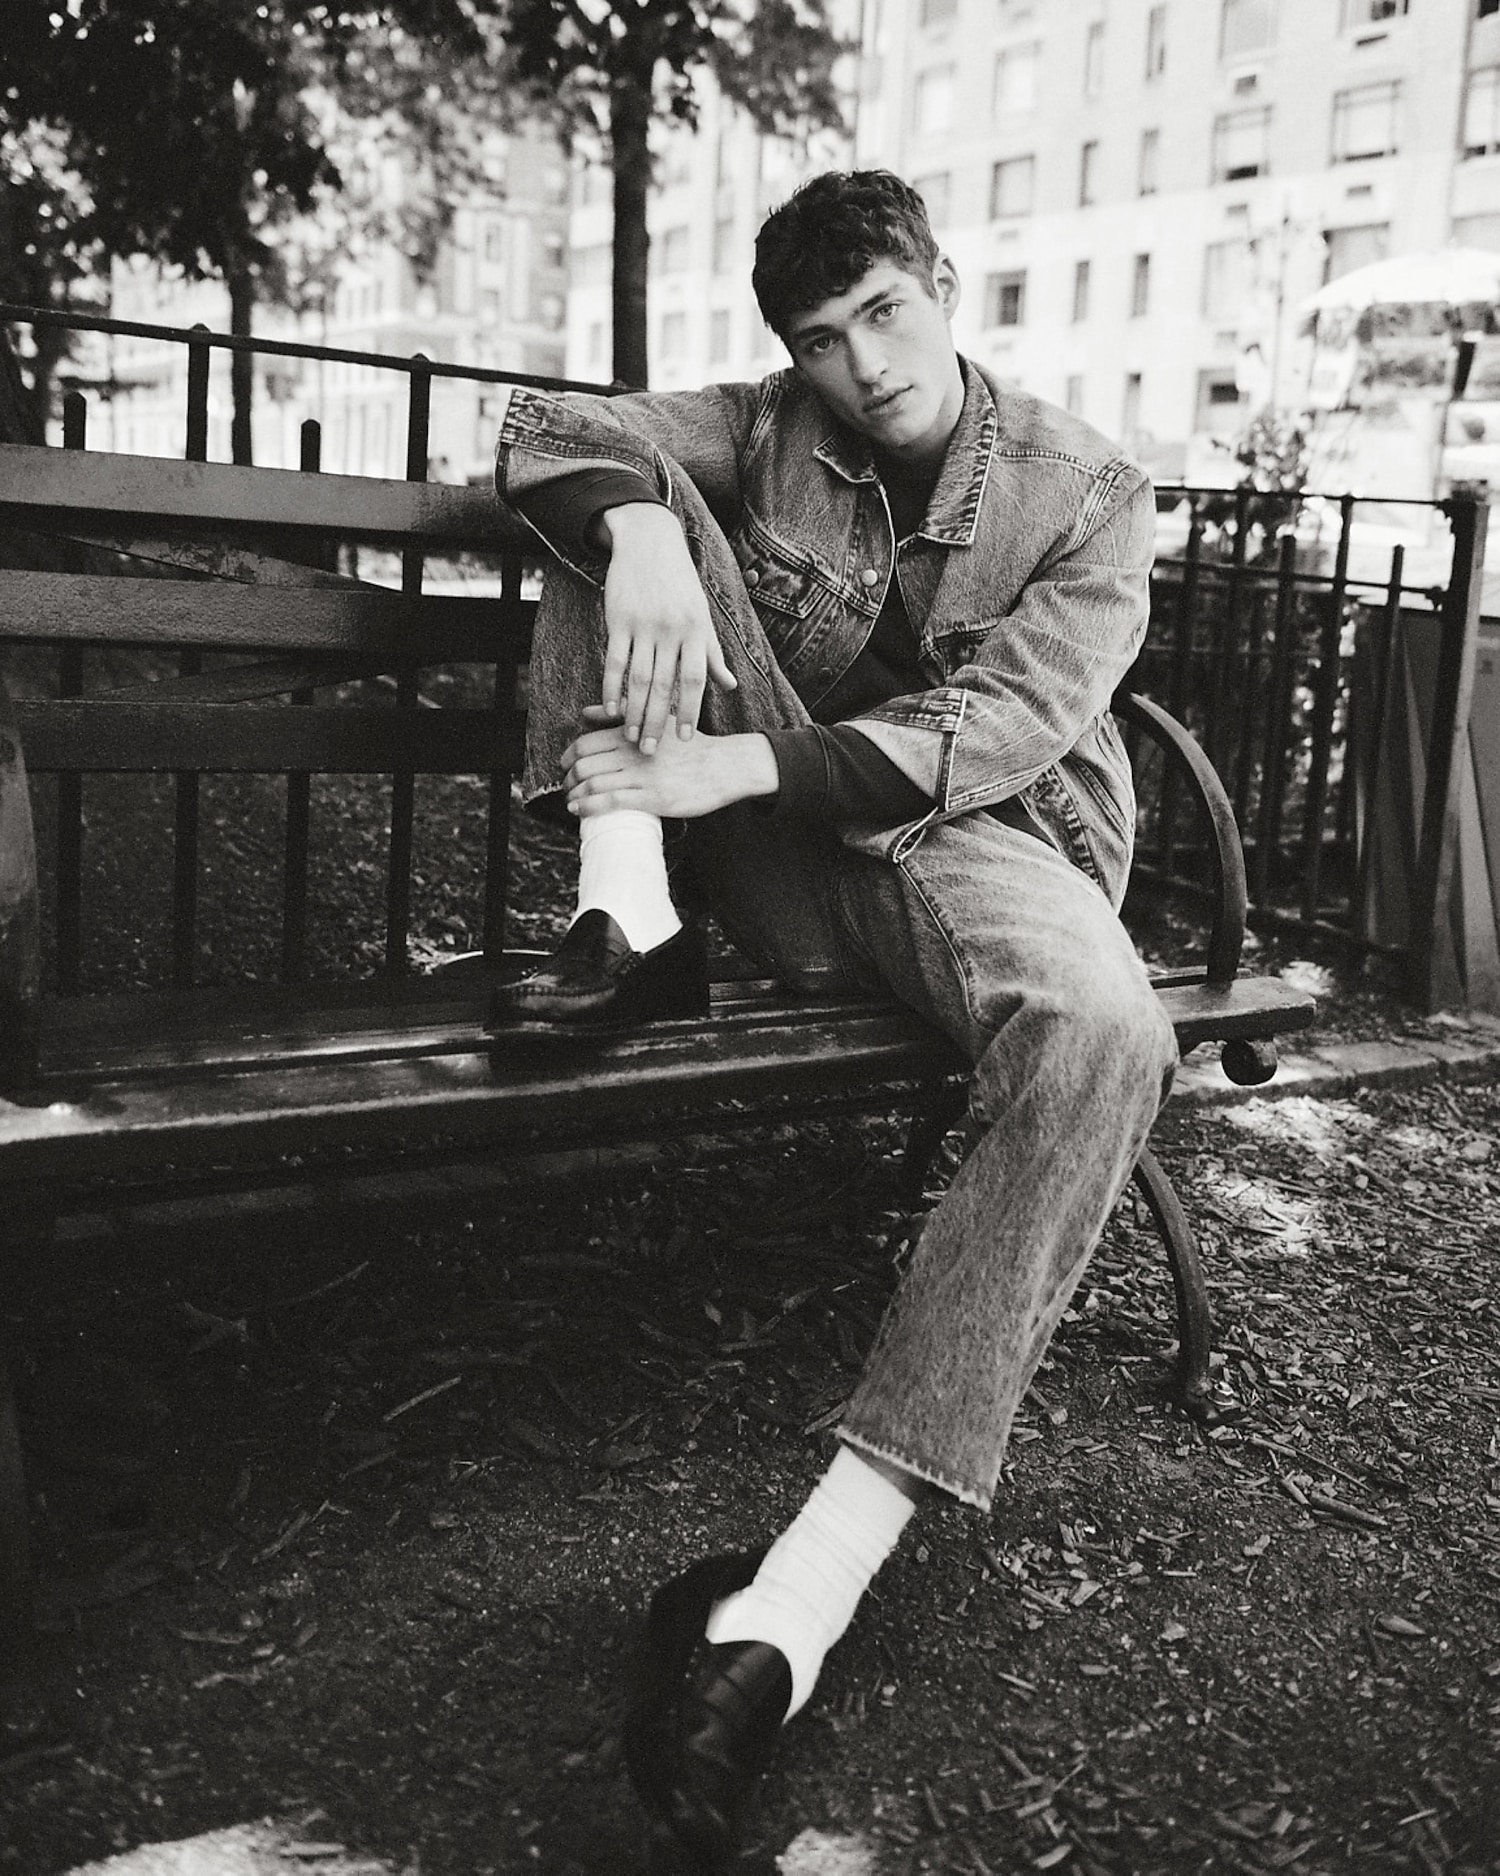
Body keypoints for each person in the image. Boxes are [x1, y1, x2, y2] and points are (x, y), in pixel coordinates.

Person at [486, 169, 1178, 1873]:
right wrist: (642, 527)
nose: (862, 363)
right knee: (623, 497)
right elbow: (539, 428)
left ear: (946, 281)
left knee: (1111, 1032)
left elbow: (996, 731)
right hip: (795, 870)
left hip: (992, 842)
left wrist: (730, 760)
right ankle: (626, 906)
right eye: (820, 336)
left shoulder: (1092, 491)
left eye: (886, 311)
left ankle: (783, 1615)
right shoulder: (767, 427)